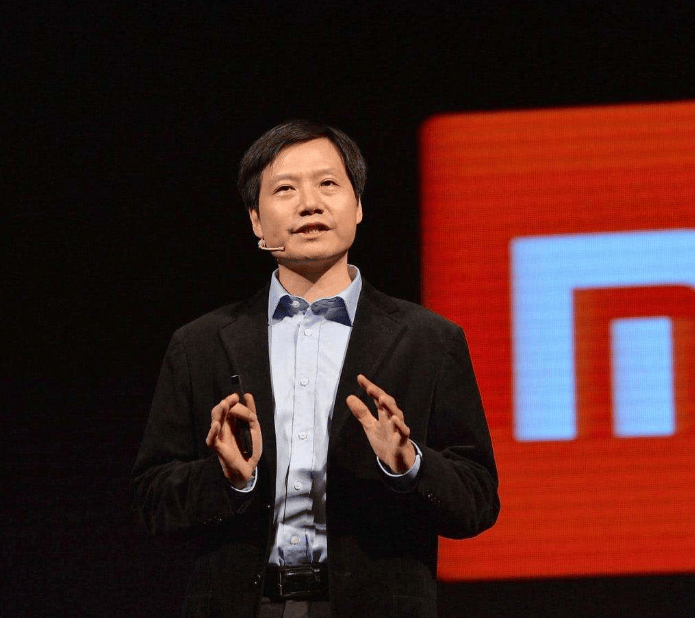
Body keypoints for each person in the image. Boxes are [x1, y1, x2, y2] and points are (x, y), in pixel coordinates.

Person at [132, 120, 500, 618]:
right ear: (256, 220)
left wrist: (408, 464)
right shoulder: (199, 344)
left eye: (328, 183)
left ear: (358, 205)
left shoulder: (429, 340)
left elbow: (477, 499)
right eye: (285, 189)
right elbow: (151, 500)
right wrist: (228, 479)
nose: (310, 204)